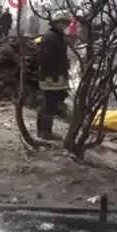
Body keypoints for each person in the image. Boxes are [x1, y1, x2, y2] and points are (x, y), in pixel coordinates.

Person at [36, 11, 72, 140]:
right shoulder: (51, 36)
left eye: (66, 23)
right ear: (56, 22)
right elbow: (45, 58)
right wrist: (49, 75)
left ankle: (43, 131)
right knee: (49, 103)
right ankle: (45, 132)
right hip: (50, 76)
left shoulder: (59, 36)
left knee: (48, 103)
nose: (64, 25)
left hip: (55, 75)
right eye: (62, 22)